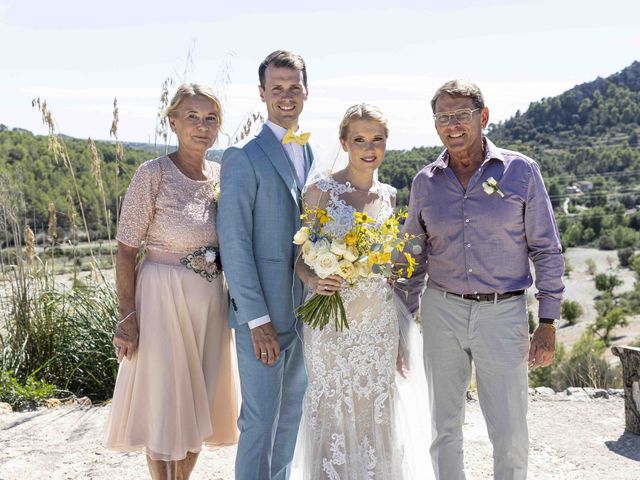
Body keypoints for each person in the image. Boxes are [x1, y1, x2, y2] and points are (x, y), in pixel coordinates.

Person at [401, 80, 564, 479]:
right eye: (443, 117)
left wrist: (547, 321)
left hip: (503, 313)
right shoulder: (425, 182)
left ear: (484, 117)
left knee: (509, 430)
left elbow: (546, 249)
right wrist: (401, 322)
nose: (452, 125)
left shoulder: (520, 171)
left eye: (461, 115)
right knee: (444, 427)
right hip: (442, 311)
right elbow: (412, 257)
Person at [104, 83, 238, 480]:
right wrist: (127, 316)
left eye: (210, 118)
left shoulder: (222, 176)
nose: (202, 126)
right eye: (192, 118)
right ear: (173, 122)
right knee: (165, 403)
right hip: (160, 300)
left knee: (202, 401)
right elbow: (126, 250)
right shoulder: (153, 174)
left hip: (210, 302)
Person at [294, 104, 433, 480]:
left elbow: (392, 265)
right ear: (344, 142)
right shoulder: (319, 192)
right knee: (331, 403)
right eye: (359, 139)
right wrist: (314, 280)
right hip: (330, 315)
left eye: (377, 139)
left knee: (374, 401)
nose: (368, 148)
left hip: (377, 319)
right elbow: (300, 260)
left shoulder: (387, 195)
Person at [217, 50, 313, 480]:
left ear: (305, 91)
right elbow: (234, 244)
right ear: (262, 93)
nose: (286, 96)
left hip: (304, 312)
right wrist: (256, 319)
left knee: (290, 416)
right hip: (263, 316)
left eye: (294, 87)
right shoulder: (242, 156)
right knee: (258, 420)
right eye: (277, 88)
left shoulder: (308, 151)